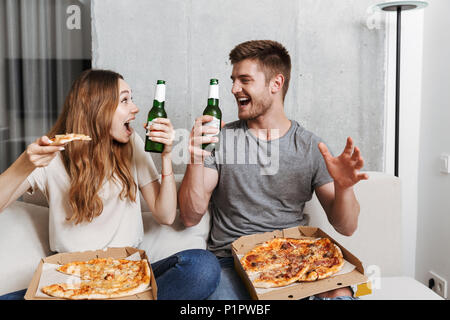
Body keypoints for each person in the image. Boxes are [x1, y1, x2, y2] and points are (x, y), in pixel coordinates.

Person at [0, 69, 220, 300]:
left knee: (202, 267)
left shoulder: (132, 143)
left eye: (131, 99)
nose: (135, 108)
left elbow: (165, 215)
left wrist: (166, 155)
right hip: (72, 280)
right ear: (97, 107)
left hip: (128, 273)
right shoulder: (53, 153)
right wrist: (25, 163)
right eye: (125, 100)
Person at [178, 40, 369, 300]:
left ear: (275, 84)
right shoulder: (221, 139)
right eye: (233, 80)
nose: (234, 89)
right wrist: (194, 157)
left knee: (342, 294)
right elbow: (190, 216)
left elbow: (346, 227)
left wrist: (345, 187)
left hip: (297, 257)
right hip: (232, 262)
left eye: (244, 80)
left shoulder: (310, 145)